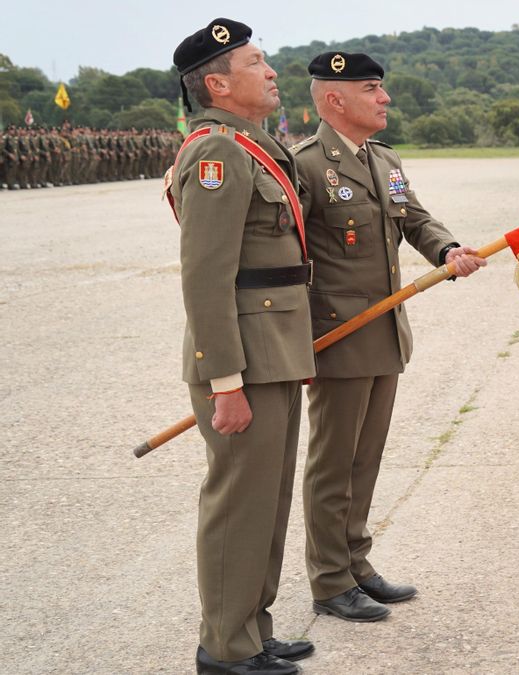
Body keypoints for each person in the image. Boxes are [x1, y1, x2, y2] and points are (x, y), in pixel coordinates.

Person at [292, 52, 486, 622]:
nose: (385, 99)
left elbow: (414, 220)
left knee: (364, 460)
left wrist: (447, 250)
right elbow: (289, 255)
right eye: (372, 88)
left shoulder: (383, 159)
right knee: (334, 463)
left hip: (383, 331)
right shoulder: (305, 164)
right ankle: (329, 581)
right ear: (335, 100)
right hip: (337, 336)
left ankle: (356, 564)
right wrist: (294, 338)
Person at [169, 18, 317, 674]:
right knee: (237, 505)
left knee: (268, 500)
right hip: (242, 363)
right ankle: (225, 649)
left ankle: (253, 629)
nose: (273, 71)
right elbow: (206, 275)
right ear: (218, 83)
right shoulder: (216, 153)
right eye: (258, 62)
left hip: (274, 352)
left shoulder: (251, 145)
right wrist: (223, 379)